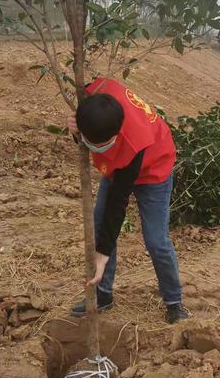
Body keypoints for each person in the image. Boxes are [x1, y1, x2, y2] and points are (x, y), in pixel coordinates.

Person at [67, 77, 188, 324]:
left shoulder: (134, 144)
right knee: (99, 225)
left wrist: (101, 256)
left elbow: (117, 205)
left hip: (155, 168)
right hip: (119, 164)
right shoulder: (97, 92)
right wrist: (74, 129)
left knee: (156, 240)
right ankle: (103, 295)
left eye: (100, 145)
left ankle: (174, 302)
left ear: (117, 134)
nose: (94, 148)